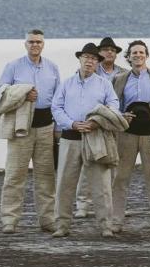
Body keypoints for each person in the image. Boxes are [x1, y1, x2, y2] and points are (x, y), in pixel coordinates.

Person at [50, 42, 121, 238]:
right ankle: (62, 225)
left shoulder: (104, 84)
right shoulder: (66, 83)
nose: (89, 61)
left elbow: (114, 106)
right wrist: (72, 124)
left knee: (101, 185)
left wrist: (97, 122)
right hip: (70, 138)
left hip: (95, 137)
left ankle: (106, 226)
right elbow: (56, 108)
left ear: (98, 62)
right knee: (65, 183)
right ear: (80, 59)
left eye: (93, 58)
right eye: (86, 57)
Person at [0, 29, 60, 234]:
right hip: (20, 127)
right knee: (15, 175)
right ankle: (9, 220)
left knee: (46, 176)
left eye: (38, 42)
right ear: (25, 44)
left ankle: (48, 220)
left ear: (43, 44)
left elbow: (58, 100)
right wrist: (22, 94)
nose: (35, 45)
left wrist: (56, 130)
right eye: (31, 41)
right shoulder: (13, 66)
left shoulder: (52, 67)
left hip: (46, 126)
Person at [109, 40, 150, 233]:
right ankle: (116, 220)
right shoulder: (119, 79)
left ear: (147, 55)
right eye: (134, 53)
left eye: (141, 52)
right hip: (126, 133)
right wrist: (120, 114)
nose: (138, 55)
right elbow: (113, 103)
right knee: (120, 178)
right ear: (128, 57)